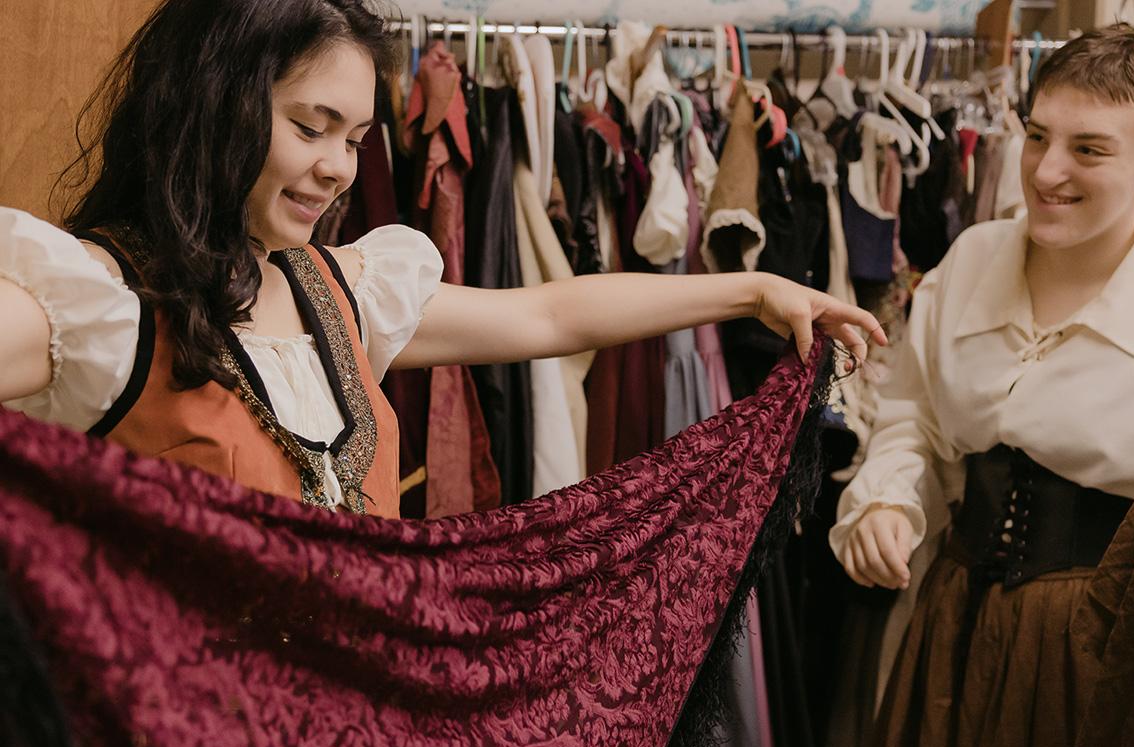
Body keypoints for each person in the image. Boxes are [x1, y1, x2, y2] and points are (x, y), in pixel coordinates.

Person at [0, 0, 884, 518]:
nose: (339, 168)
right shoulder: (99, 309)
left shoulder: (339, 292)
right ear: (213, 109)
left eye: (355, 138)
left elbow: (548, 314)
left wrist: (755, 290)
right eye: (311, 127)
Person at [829, 24, 1134, 747]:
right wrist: (887, 504)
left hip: (1099, 661)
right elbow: (914, 420)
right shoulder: (971, 258)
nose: (1046, 171)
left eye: (1089, 150)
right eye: (1036, 136)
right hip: (953, 631)